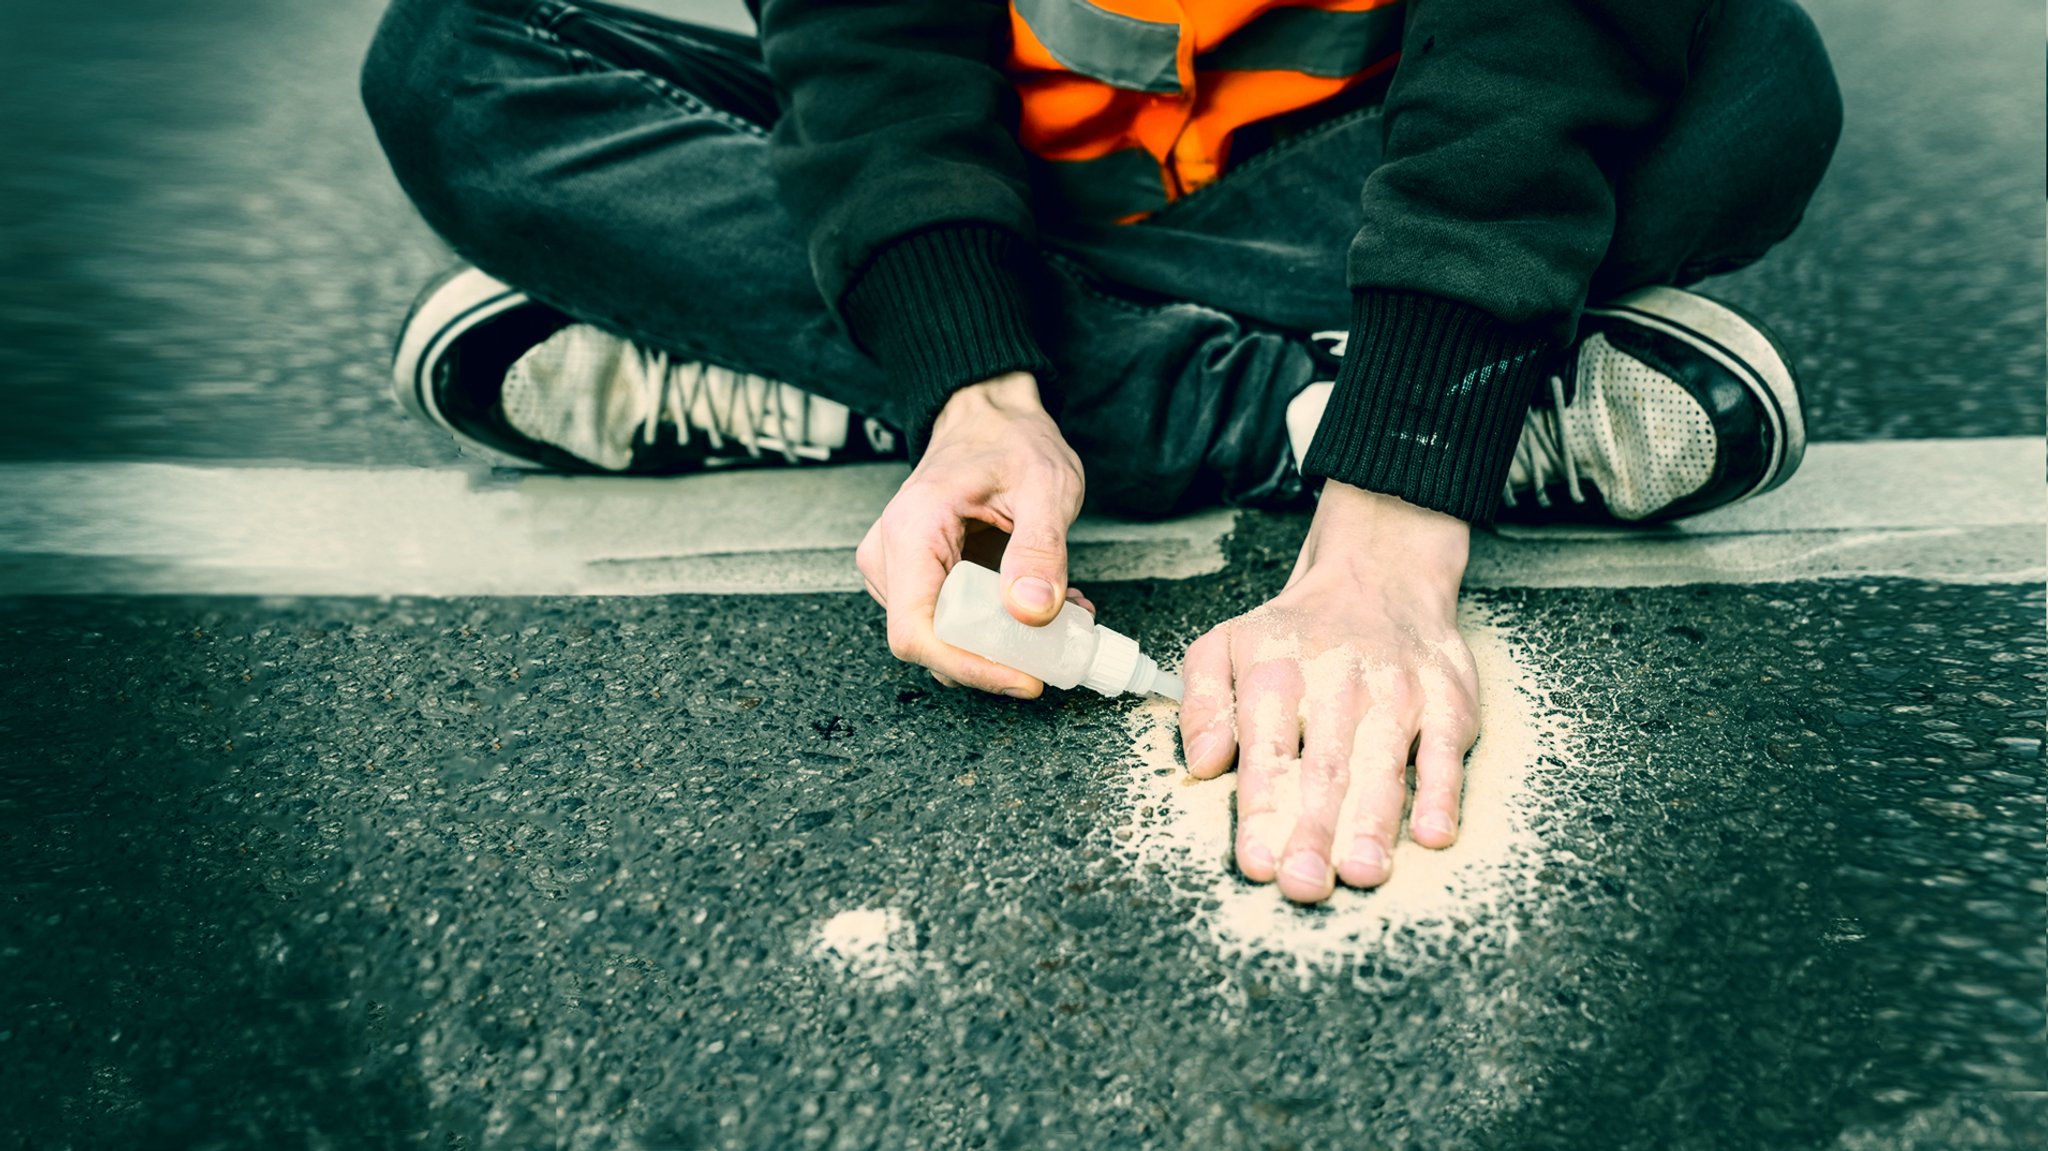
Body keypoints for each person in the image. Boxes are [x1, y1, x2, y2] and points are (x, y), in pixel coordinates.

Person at [360, 0, 1840, 904]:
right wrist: (972, 386)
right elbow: (861, 31)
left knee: (1750, 79)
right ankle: (1291, 408)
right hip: (1006, 176)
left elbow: (1544, 45)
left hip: (1345, 174)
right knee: (457, 58)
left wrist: (1392, 520)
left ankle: (822, 356)